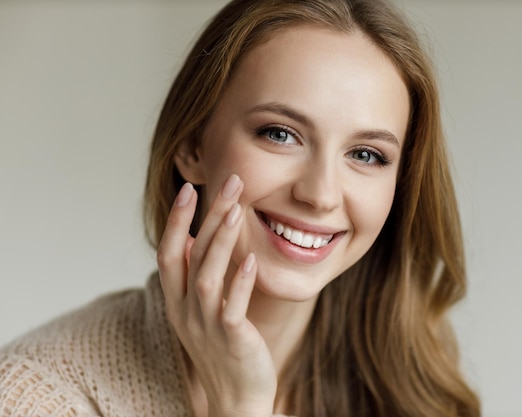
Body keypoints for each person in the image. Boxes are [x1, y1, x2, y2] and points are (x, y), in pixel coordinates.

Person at [0, 0, 480, 416]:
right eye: (280, 134)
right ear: (192, 145)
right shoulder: (36, 395)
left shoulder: (411, 380)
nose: (321, 194)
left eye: (366, 155)